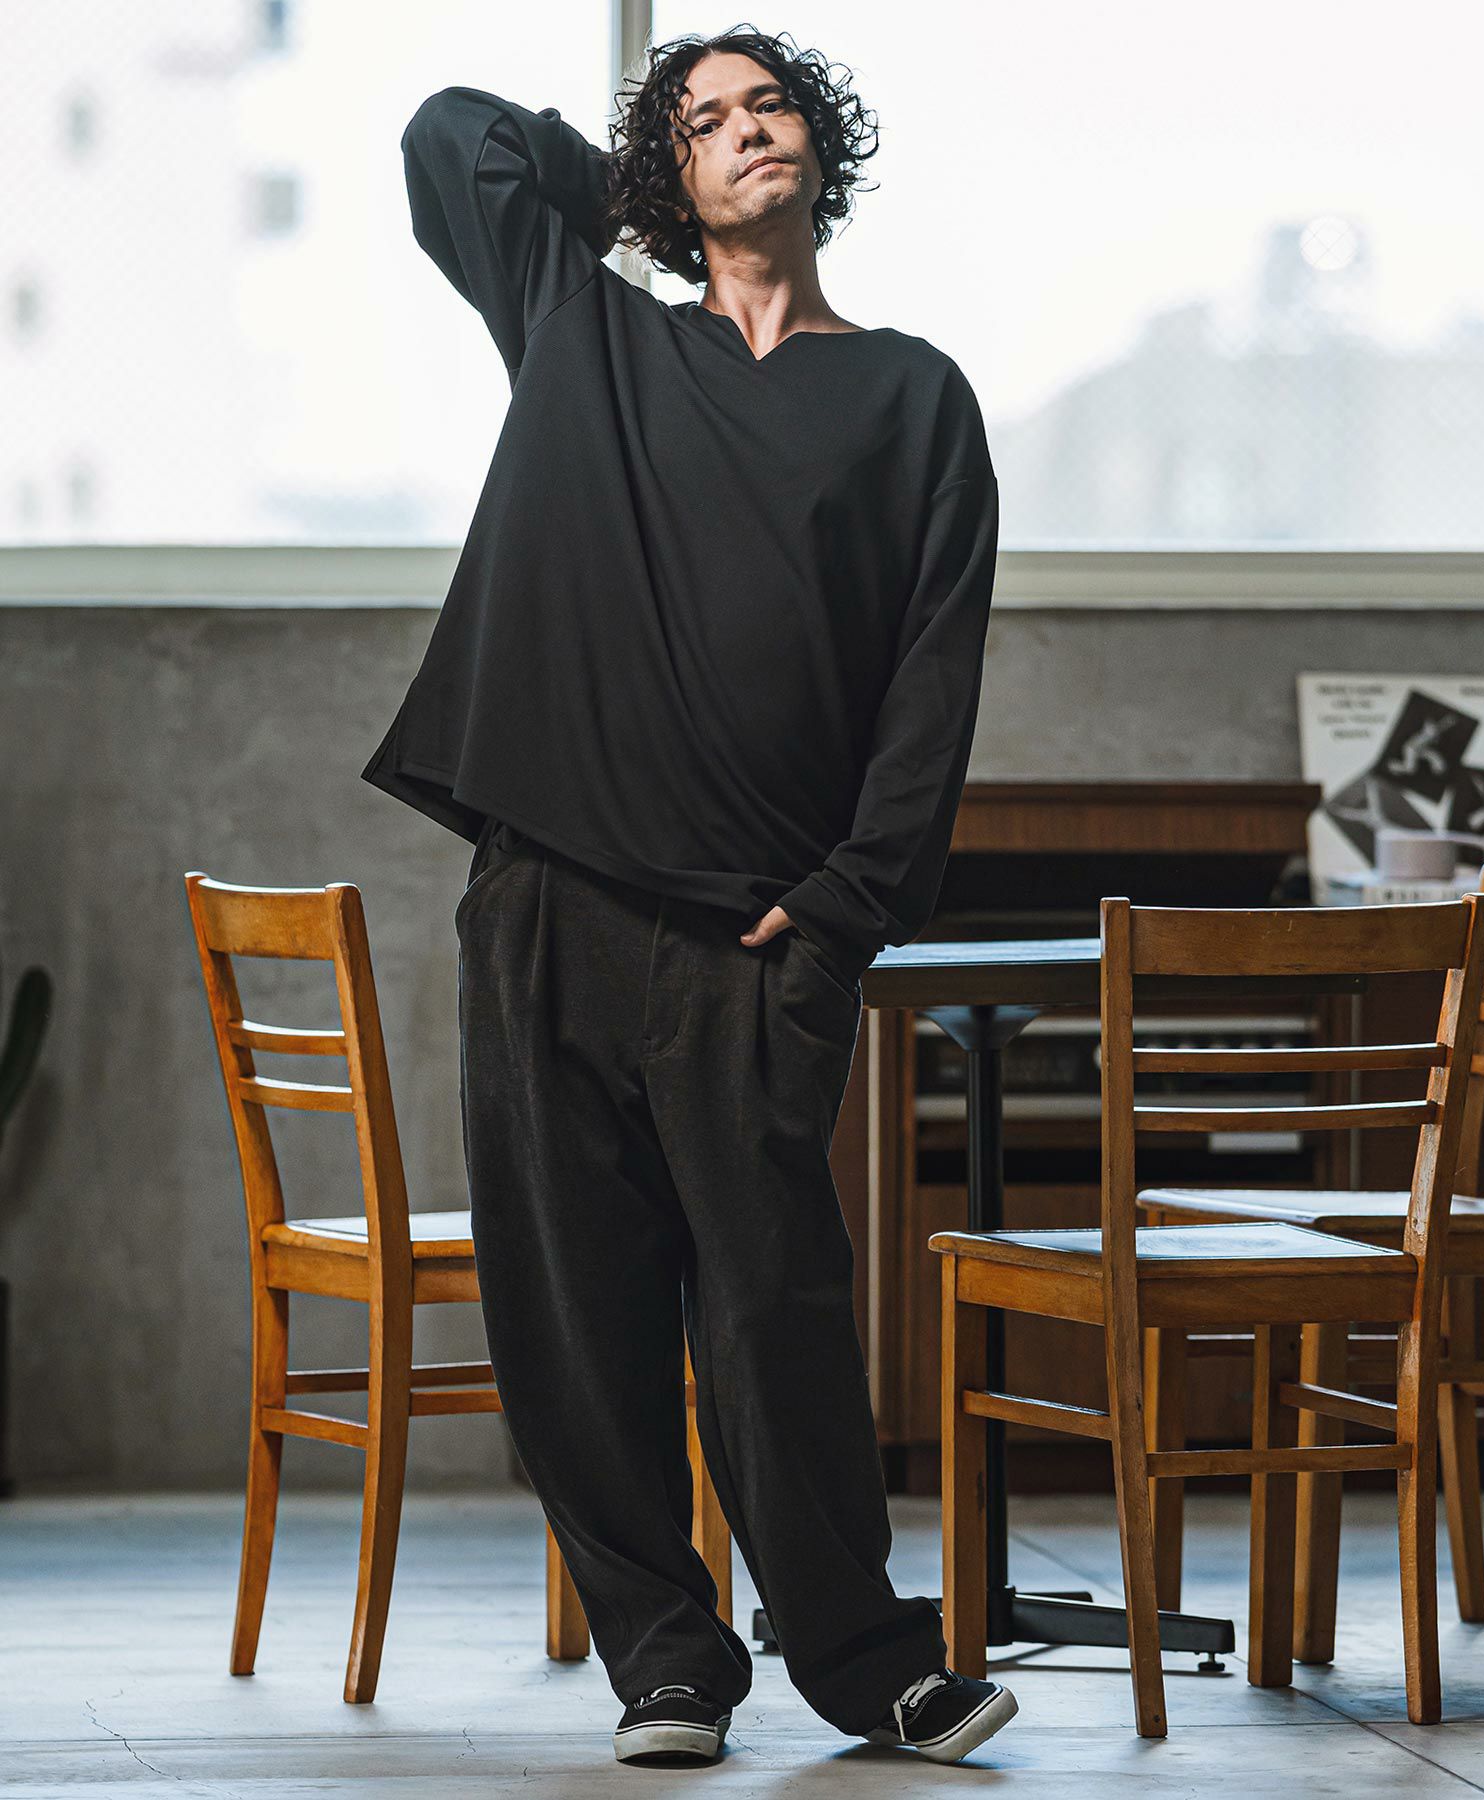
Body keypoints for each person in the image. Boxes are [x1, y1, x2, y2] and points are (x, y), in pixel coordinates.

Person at [363, 23, 1012, 1769]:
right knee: (572, 1309)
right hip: (549, 900)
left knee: (772, 1308)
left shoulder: (913, 398)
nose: (746, 132)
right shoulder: (589, 331)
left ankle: (868, 1662)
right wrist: (639, 193)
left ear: (823, 144)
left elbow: (931, 680)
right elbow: (448, 137)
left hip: (756, 932)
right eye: (706, 122)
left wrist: (848, 908)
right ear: (670, 174)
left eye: (769, 105)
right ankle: (665, 1662)